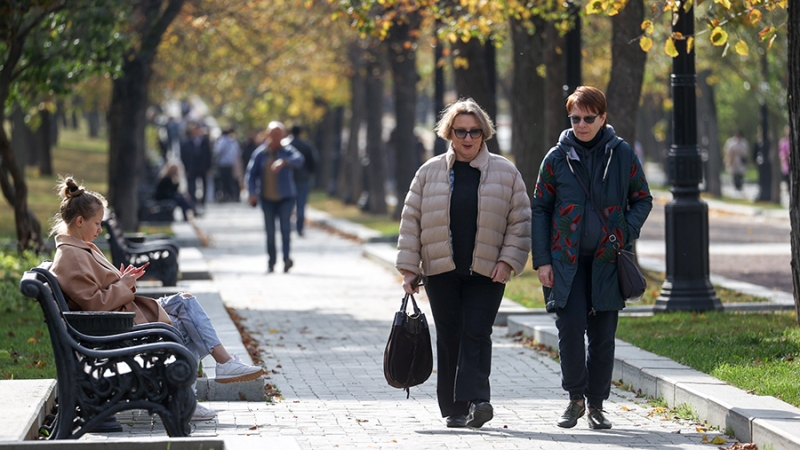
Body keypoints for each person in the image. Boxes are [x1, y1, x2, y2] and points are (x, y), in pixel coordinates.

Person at [48, 177, 265, 421]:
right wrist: (123, 284)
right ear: (80, 221)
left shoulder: (80, 248)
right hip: (115, 326)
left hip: (121, 316)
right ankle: (196, 389)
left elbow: (98, 290)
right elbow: (94, 303)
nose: (100, 230)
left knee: (185, 302)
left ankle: (199, 387)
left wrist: (123, 279)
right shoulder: (72, 256)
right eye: (97, 223)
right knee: (185, 321)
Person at [395, 98, 531, 429]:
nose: (468, 138)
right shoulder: (428, 172)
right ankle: (454, 409)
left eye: (474, 132)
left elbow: (520, 221)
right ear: (449, 133)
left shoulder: (506, 172)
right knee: (450, 336)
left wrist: (508, 261)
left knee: (477, 332)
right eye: (461, 132)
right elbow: (411, 222)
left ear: (484, 134)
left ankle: (478, 401)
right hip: (441, 271)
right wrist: (410, 268)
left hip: (487, 271)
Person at [531, 86, 652, 430]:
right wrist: (543, 260)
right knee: (569, 330)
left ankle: (597, 404)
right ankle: (575, 400)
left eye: (588, 118)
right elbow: (540, 208)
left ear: (603, 118)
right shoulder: (556, 158)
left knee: (602, 336)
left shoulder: (622, 154)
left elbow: (642, 198)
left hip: (607, 262)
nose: (581, 125)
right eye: (575, 118)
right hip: (565, 261)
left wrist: (624, 232)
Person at [246, 121, 305, 273]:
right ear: (268, 135)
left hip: (286, 197)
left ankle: (286, 259)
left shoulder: (287, 151)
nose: (277, 138)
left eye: (280, 135)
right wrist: (252, 193)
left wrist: (284, 162)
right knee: (270, 232)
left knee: (285, 228)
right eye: (274, 135)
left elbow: (300, 160)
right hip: (267, 199)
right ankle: (271, 262)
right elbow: (251, 175)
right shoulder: (260, 154)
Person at [286, 125, 319, 236]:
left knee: (288, 204)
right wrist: (309, 173)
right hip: (303, 179)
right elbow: (313, 162)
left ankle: (287, 226)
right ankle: (300, 228)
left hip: (289, 179)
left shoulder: (286, 145)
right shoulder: (306, 145)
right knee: (301, 205)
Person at [180, 122, 213, 208]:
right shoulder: (186, 142)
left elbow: (209, 155)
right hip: (191, 167)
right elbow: (183, 155)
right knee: (191, 185)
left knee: (204, 184)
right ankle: (193, 201)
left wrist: (209, 167)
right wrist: (186, 168)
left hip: (203, 166)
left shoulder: (205, 141)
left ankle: (203, 201)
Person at [213, 127, 242, 202]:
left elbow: (217, 151)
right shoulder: (233, 142)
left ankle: (226, 195)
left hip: (223, 164)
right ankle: (232, 195)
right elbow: (238, 153)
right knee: (231, 181)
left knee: (224, 181)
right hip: (231, 164)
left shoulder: (221, 141)